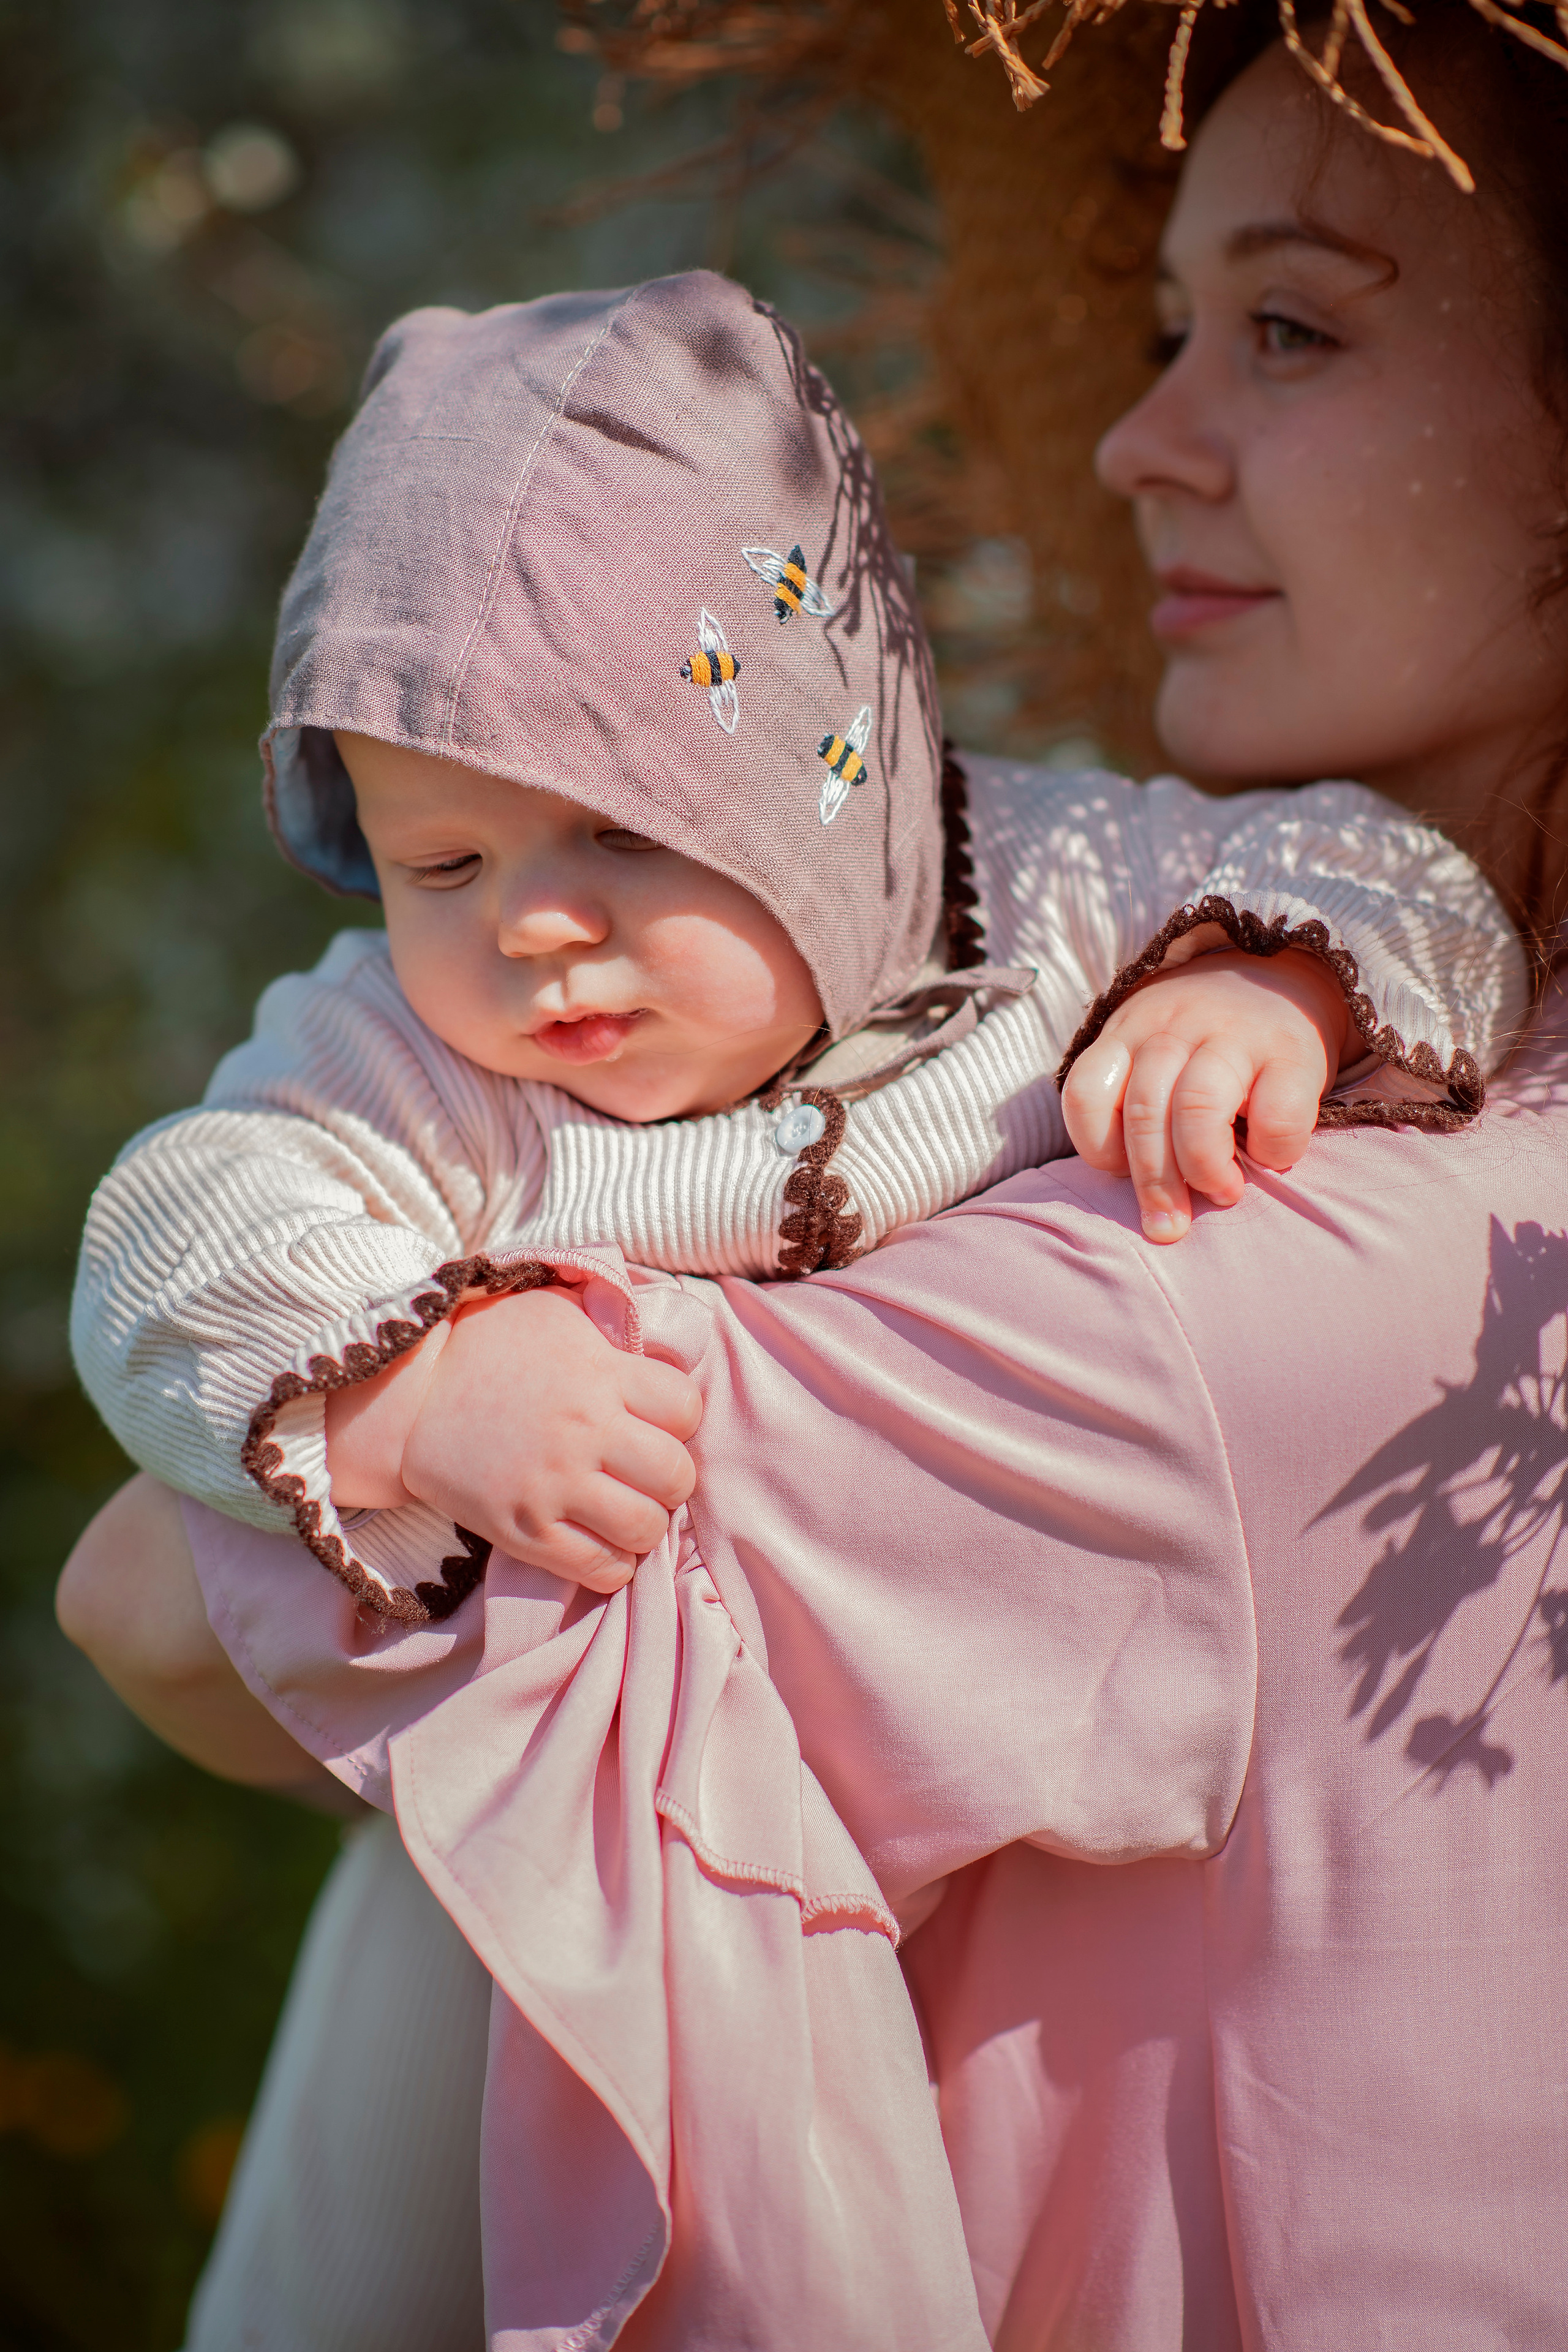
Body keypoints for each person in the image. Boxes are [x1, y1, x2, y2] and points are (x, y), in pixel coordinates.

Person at [59, 0, 1568, 2341]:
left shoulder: (1221, 1198)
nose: (1142, 438)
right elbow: (199, 1221)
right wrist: (399, 1389)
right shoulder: (434, 1052)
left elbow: (146, 1605)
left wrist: (1272, 988)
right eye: (440, 856)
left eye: (1289, 327)